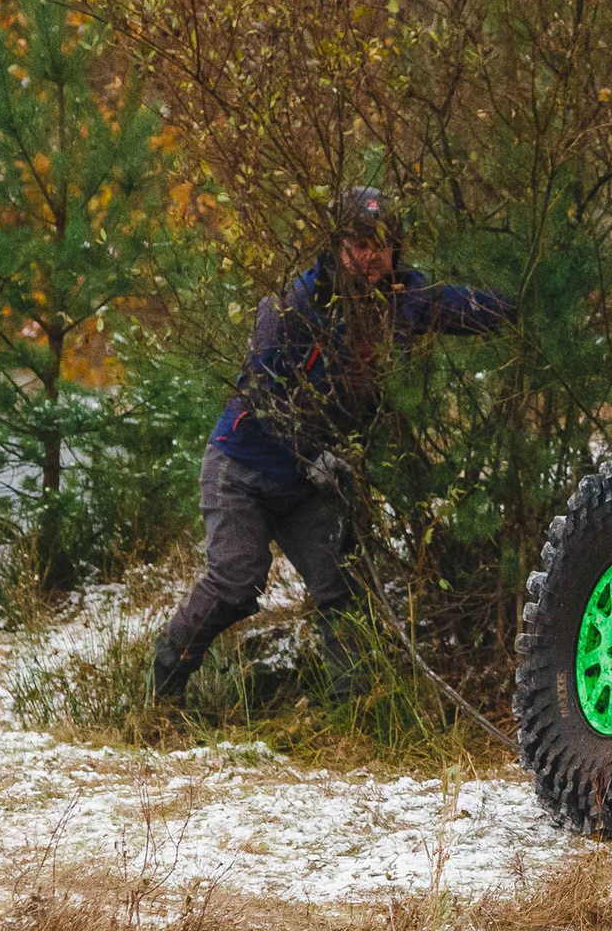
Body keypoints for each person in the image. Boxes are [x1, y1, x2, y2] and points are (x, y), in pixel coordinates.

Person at [151, 187, 517, 703]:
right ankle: (162, 690)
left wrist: (531, 302)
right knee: (236, 583)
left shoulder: (405, 299)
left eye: (383, 244)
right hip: (244, 468)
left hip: (309, 484)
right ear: (337, 245)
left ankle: (356, 711)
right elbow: (261, 390)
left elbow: (469, 307)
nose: (371, 256)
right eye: (359, 242)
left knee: (341, 593)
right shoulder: (296, 303)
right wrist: (309, 452)